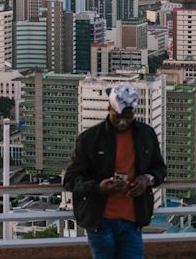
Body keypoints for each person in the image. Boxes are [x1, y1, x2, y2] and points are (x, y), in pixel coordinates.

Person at [64, 82, 166, 259]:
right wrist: (99, 187)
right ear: (108, 108)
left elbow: (159, 168)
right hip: (101, 220)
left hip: (133, 220)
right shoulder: (89, 140)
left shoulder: (146, 135)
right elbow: (71, 179)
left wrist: (147, 179)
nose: (123, 122)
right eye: (117, 116)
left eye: (128, 117)